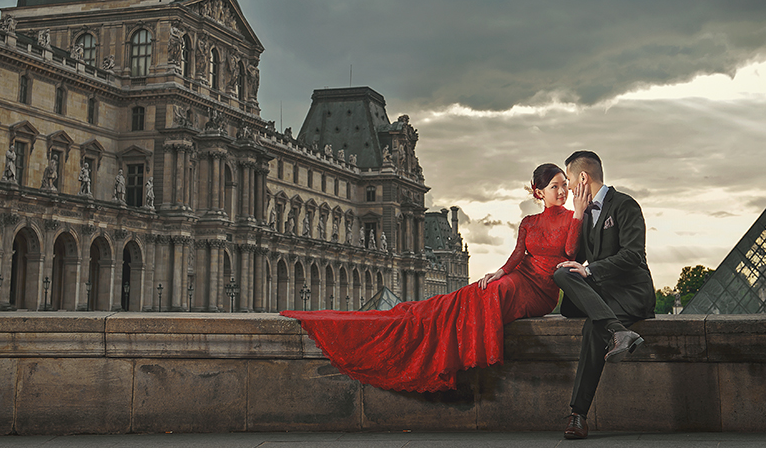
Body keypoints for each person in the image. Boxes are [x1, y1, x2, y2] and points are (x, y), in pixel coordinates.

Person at [281, 163, 591, 393]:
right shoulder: (528, 221)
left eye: (564, 184)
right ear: (539, 192)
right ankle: (422, 314)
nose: (562, 191)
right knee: (473, 294)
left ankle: (471, 350)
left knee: (493, 295)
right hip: (519, 276)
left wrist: (577, 213)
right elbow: (517, 255)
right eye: (554, 186)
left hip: (542, 288)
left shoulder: (573, 216)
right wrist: (500, 271)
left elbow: (569, 252)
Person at [553, 150, 655, 439]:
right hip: (603, 294)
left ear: (583, 177)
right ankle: (617, 331)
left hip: (631, 292)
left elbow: (633, 256)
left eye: (570, 180)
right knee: (561, 273)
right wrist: (577, 215)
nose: (569, 188)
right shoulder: (585, 214)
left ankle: (578, 415)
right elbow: (572, 256)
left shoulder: (625, 205)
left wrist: (591, 270)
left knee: (591, 329)